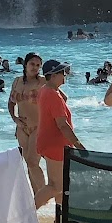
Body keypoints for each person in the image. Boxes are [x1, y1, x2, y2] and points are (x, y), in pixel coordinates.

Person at [34, 60, 82, 206]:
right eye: (62, 73)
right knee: (55, 186)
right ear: (53, 75)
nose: (65, 75)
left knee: (62, 187)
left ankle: (60, 218)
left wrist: (56, 87)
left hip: (48, 142)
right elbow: (62, 125)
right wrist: (78, 145)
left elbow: (64, 99)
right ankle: (25, 214)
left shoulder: (45, 89)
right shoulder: (52, 95)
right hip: (55, 145)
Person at [7, 52, 48, 202]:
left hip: (38, 126)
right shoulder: (17, 81)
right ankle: (36, 199)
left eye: (38, 65)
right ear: (25, 64)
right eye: (32, 64)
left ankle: (45, 195)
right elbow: (11, 103)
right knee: (29, 164)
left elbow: (62, 98)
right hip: (22, 128)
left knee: (32, 162)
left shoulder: (43, 82)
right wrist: (14, 118)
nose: (35, 67)